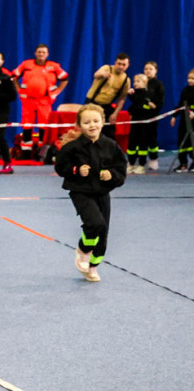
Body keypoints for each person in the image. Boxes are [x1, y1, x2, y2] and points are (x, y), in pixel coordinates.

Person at [54, 104, 127, 282]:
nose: (92, 125)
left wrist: (111, 175)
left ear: (103, 122)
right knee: (95, 223)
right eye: (87, 122)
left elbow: (121, 169)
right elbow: (60, 167)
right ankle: (84, 250)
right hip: (81, 191)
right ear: (79, 125)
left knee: (103, 232)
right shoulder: (73, 147)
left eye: (96, 121)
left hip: (102, 192)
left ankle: (93, 267)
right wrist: (76, 170)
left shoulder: (111, 145)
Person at [11, 44, 69, 159]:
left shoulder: (54, 66)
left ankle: (41, 152)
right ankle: (26, 153)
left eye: (43, 52)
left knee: (44, 126)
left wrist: (57, 92)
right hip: (28, 101)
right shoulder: (26, 65)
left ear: (47, 54)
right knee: (27, 126)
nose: (41, 54)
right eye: (39, 52)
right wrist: (19, 90)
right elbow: (14, 77)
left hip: (45, 101)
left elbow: (65, 79)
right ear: (35, 53)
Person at [85, 54, 131, 139]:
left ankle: (108, 151)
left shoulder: (126, 80)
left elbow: (122, 99)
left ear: (128, 65)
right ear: (115, 63)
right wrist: (103, 74)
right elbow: (95, 75)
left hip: (106, 106)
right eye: (119, 63)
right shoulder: (107, 68)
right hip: (92, 103)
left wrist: (115, 113)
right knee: (90, 130)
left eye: (123, 64)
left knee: (110, 132)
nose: (120, 67)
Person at [125, 74, 155, 174]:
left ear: (145, 83)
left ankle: (141, 165)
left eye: (138, 81)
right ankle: (131, 164)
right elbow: (133, 103)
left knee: (143, 144)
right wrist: (129, 92)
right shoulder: (134, 94)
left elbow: (153, 107)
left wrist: (150, 105)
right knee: (132, 143)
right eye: (134, 81)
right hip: (135, 123)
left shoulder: (149, 94)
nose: (135, 83)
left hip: (145, 125)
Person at [142, 62, 166, 170]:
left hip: (152, 117)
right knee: (140, 139)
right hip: (140, 117)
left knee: (152, 138)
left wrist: (154, 107)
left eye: (150, 69)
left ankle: (153, 159)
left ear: (155, 71)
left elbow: (160, 101)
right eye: (146, 69)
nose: (148, 71)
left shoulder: (158, 84)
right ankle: (139, 161)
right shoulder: (140, 83)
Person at [170, 69, 194, 172]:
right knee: (182, 142)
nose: (190, 80)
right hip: (184, 121)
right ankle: (183, 163)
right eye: (189, 78)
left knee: (193, 142)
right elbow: (181, 104)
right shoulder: (185, 90)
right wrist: (174, 116)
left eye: (193, 78)